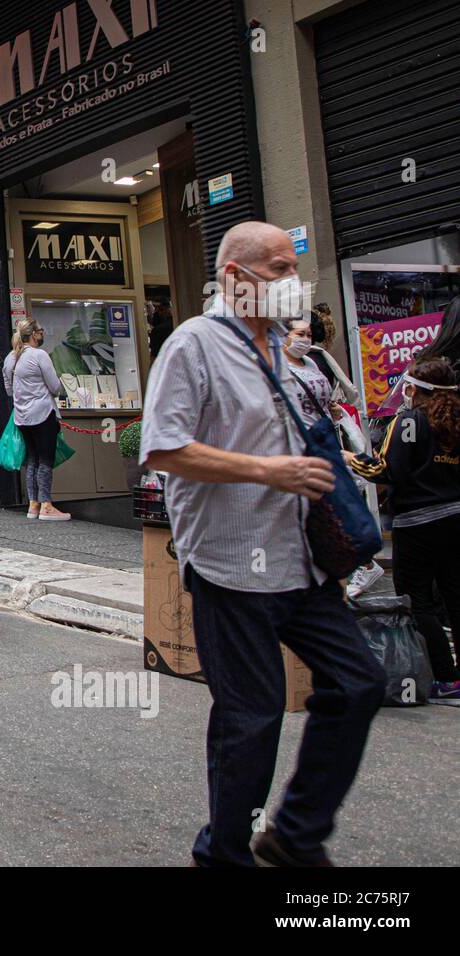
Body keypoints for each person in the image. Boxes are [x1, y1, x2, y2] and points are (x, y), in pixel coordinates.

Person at [141, 220, 385, 867]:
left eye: (292, 267)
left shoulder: (285, 350)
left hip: (301, 565)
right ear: (234, 278)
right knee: (253, 722)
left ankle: (296, 834)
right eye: (277, 269)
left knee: (359, 684)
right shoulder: (193, 346)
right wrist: (265, 470)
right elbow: (163, 447)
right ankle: (224, 854)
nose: (290, 282)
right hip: (229, 567)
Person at [348, 356, 460, 700]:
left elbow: (386, 470)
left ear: (415, 389)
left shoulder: (409, 421)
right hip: (455, 519)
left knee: (418, 601)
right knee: (455, 597)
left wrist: (349, 458)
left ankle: (447, 677)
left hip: (418, 523)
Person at [282, 315, 384, 598]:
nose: (305, 339)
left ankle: (359, 561)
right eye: (299, 334)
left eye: (308, 334)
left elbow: (324, 399)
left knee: (338, 501)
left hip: (325, 440)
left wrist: (334, 412)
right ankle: (349, 565)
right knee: (324, 506)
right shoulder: (273, 367)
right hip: (302, 447)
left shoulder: (313, 362)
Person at [3, 317, 69, 520]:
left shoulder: (10, 359)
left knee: (32, 458)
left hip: (21, 417)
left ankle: (34, 504)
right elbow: (55, 387)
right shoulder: (39, 355)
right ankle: (47, 505)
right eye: (40, 331)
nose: (42, 334)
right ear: (33, 334)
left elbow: (8, 390)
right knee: (46, 459)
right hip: (42, 413)